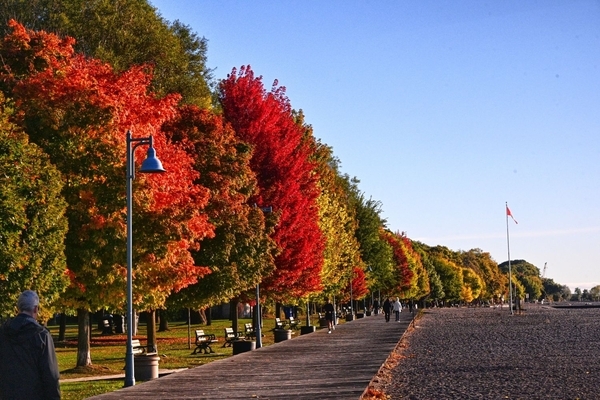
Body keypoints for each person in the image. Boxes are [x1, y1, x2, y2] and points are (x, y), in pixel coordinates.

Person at [0, 290, 61, 399]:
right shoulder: (41, 336)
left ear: (18, 308)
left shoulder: (4, 333)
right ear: (35, 309)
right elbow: (51, 375)